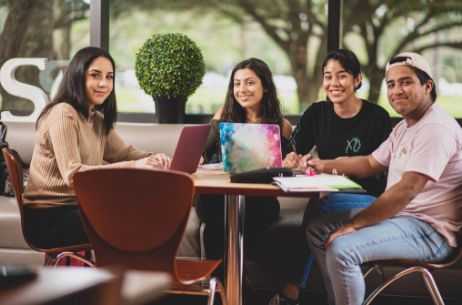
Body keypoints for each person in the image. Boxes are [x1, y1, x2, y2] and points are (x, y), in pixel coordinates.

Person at [304, 52, 462, 305]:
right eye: (391, 84)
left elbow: (406, 191)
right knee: (317, 229)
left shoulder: (436, 128)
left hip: (429, 232)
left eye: (406, 82)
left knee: (341, 249)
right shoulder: (405, 127)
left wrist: (355, 225)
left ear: (427, 86)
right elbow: (369, 162)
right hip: (403, 220)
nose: (396, 90)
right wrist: (322, 164)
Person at [269, 49, 392, 305]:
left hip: (368, 197)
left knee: (319, 208)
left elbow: (381, 172)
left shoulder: (377, 117)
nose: (334, 83)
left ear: (357, 80)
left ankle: (297, 286)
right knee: (320, 205)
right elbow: (294, 148)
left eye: (342, 76)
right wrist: (293, 158)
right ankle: (332, 295)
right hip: (328, 194)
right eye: (328, 76)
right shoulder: (317, 113)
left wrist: (334, 171)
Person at [22, 46, 171, 249]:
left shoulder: (96, 119)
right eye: (95, 75)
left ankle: (126, 278)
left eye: (109, 77)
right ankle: (124, 279)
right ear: (77, 76)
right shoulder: (63, 113)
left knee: (145, 213)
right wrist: (136, 165)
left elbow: (124, 153)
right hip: (48, 218)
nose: (104, 83)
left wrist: (165, 159)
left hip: (78, 208)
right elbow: (74, 175)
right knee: (133, 223)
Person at [195, 57, 292, 262]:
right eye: (237, 84)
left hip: (259, 200)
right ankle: (224, 286)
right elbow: (202, 151)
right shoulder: (224, 115)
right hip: (218, 197)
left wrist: (291, 161)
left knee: (255, 219)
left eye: (250, 82)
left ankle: (234, 284)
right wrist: (198, 158)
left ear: (265, 86)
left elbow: (287, 165)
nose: (242, 89)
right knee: (218, 224)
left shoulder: (281, 126)